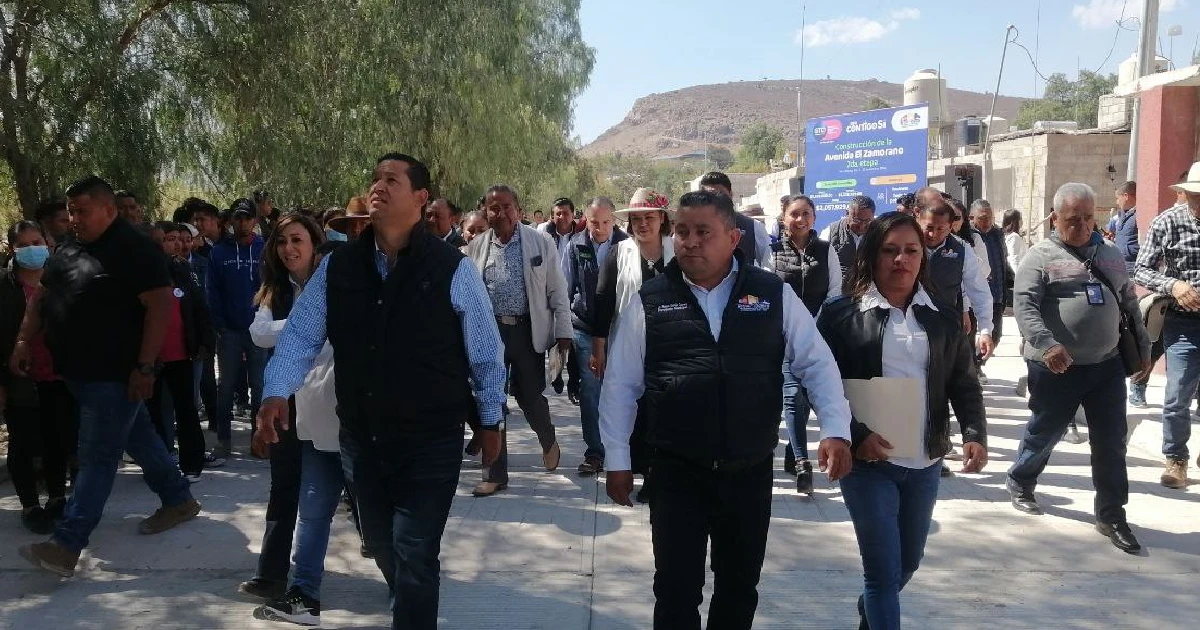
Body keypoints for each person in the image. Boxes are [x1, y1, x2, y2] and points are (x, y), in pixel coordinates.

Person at [258, 153, 506, 629]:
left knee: (415, 549)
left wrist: (490, 418)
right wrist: (275, 393)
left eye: (391, 180)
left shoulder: (453, 269)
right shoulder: (339, 268)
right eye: (374, 179)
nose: (378, 187)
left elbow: (485, 352)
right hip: (362, 440)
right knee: (381, 541)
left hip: (430, 439)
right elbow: (301, 338)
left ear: (420, 198)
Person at [599, 190, 853, 630]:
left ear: (734, 238)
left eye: (703, 232)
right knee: (676, 590)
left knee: (738, 588)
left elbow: (816, 361)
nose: (690, 241)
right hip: (676, 471)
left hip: (748, 471)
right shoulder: (652, 300)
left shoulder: (771, 294)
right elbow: (621, 384)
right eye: (681, 231)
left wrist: (836, 427)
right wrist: (617, 459)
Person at [14, 175, 200, 578]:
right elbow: (44, 297)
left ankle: (67, 543)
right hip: (76, 372)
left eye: (82, 211)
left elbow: (160, 309)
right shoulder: (67, 246)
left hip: (116, 374)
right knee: (140, 437)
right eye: (70, 211)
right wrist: (24, 341)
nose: (73, 218)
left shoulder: (136, 250)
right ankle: (178, 498)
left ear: (109, 210)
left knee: (97, 456)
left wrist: (146, 366)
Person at [816, 211, 987, 630]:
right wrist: (854, 436)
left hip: (924, 461)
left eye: (911, 251)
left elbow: (963, 381)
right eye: (890, 251)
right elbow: (818, 384)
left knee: (906, 564)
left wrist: (974, 433)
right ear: (871, 257)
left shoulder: (943, 316)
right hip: (869, 465)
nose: (901, 260)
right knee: (881, 573)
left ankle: (871, 613)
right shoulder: (839, 315)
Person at [1009, 183, 1150, 554]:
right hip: (1056, 367)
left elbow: (1128, 303)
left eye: (1089, 218)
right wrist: (1047, 344)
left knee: (1110, 442)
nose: (1084, 226)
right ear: (1055, 218)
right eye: (1074, 220)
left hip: (1105, 366)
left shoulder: (1111, 254)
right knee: (1046, 430)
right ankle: (1021, 479)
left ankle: (1112, 515)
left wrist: (1143, 347)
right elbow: (1025, 306)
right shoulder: (1039, 256)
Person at [241, 215, 336, 624]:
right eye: (281, 241)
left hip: (331, 402)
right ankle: (277, 577)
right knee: (289, 489)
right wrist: (304, 328)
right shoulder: (273, 290)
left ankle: (396, 567)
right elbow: (259, 335)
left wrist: (300, 330)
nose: (288, 248)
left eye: (297, 239)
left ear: (315, 244)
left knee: (359, 492)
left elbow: (333, 331)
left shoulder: (334, 281)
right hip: (285, 400)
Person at [465, 183, 571, 496]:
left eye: (506, 206)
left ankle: (548, 437)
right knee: (491, 401)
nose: (500, 212)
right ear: (486, 211)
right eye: (493, 207)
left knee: (529, 397)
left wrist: (563, 332)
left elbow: (557, 290)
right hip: (490, 334)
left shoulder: (541, 243)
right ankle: (495, 473)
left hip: (527, 332)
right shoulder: (476, 247)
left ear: (519, 210)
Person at [591, 188, 673, 500]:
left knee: (664, 409)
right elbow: (602, 299)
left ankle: (659, 472)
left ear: (661, 219)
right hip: (629, 345)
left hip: (670, 345)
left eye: (649, 217)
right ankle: (641, 469)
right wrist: (599, 347)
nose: (642, 224)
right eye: (636, 219)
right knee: (634, 409)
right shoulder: (619, 252)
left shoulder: (677, 252)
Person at [0, 220, 78, 534]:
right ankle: (31, 505)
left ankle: (58, 498)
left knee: (56, 439)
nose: (34, 249)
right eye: (26, 244)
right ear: (12, 249)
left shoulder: (59, 280)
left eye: (39, 242)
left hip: (57, 373)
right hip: (18, 377)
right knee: (22, 441)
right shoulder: (4, 288)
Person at [1133, 161, 1200, 489]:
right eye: (1196, 197)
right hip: (1185, 323)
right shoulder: (1167, 223)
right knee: (1177, 395)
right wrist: (1174, 286)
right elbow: (1141, 269)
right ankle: (1176, 459)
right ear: (1186, 195)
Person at [772, 194, 841, 493]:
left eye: (807, 214)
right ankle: (802, 463)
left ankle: (792, 450)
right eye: (795, 214)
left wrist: (814, 324)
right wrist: (791, 326)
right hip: (784, 337)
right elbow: (769, 291)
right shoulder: (771, 252)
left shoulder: (827, 251)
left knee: (808, 395)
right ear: (783, 218)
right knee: (792, 395)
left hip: (821, 334)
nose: (801, 220)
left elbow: (836, 290)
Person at [562, 197, 627, 475]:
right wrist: (562, 330)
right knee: (591, 390)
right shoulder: (575, 246)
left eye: (605, 222)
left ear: (613, 220)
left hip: (620, 329)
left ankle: (624, 450)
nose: (599, 228)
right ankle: (594, 452)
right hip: (585, 328)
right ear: (585, 219)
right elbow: (565, 287)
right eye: (593, 222)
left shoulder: (627, 246)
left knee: (623, 390)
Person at [147, 221, 213, 481]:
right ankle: (159, 464)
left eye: (176, 238)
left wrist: (205, 343)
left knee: (186, 411)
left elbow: (199, 307)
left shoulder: (182, 269)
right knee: (154, 414)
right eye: (168, 239)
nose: (175, 243)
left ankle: (192, 464)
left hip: (182, 355)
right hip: (150, 359)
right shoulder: (140, 273)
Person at [208, 198, 267, 461]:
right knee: (226, 387)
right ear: (231, 221)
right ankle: (223, 442)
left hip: (259, 329)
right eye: (238, 218)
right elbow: (213, 291)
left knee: (260, 385)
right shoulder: (219, 252)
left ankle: (259, 440)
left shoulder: (264, 250)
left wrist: (267, 320)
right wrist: (219, 323)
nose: (242, 223)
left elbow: (272, 287)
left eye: (247, 218)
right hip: (229, 331)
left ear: (255, 221)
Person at [539, 197, 582, 400]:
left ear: (573, 215)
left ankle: (574, 382)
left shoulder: (581, 236)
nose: (562, 217)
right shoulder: (542, 235)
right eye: (557, 213)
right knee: (551, 339)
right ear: (552, 215)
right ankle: (555, 375)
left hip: (573, 295)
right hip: (548, 296)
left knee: (571, 342)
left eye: (566, 213)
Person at [697, 171, 772, 268]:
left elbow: (768, 267)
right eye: (709, 197)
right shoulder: (691, 230)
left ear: (731, 194)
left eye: (721, 195)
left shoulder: (753, 227)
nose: (716, 201)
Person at [970, 199, 1009, 380]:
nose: (987, 222)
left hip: (997, 294)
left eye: (990, 218)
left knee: (996, 335)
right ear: (972, 217)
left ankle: (977, 364)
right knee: (970, 337)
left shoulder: (997, 234)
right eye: (982, 218)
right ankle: (971, 369)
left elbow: (1003, 261)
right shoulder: (969, 237)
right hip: (974, 296)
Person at [819, 195, 876, 293]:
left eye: (867, 221)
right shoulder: (831, 232)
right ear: (847, 213)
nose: (862, 226)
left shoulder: (878, 233)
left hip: (869, 293)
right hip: (838, 294)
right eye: (857, 220)